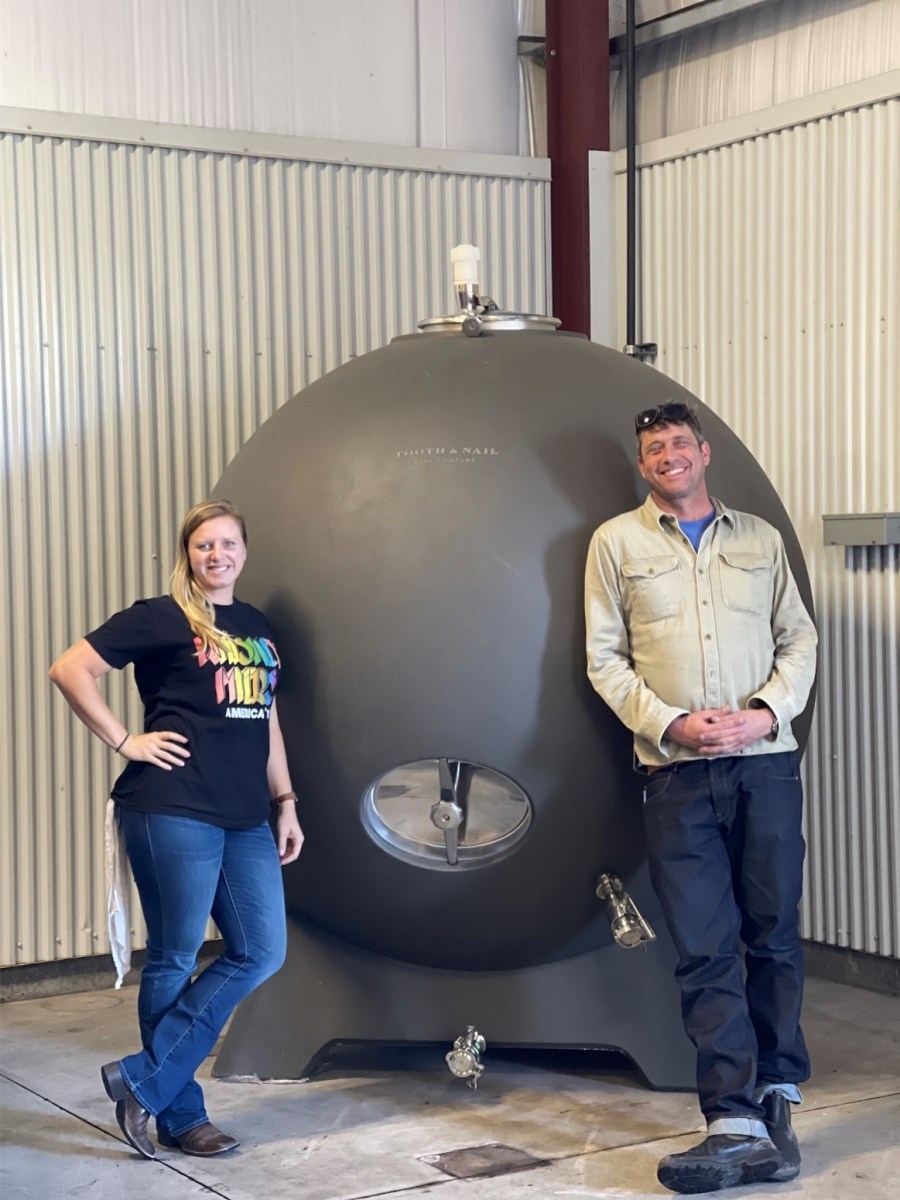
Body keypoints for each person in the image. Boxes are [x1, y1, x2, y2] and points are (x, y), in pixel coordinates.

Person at [584, 402, 817, 1195]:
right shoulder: (615, 543)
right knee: (706, 946)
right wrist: (674, 723)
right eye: (653, 448)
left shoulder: (759, 540)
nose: (668, 456)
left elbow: (800, 639)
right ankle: (732, 1117)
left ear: (704, 452)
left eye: (679, 444)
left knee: (774, 931)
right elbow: (605, 659)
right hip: (675, 774)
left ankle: (777, 1094)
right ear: (643, 463)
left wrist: (762, 713)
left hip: (766, 765)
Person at [50, 499, 303, 1160]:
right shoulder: (159, 618)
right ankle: (180, 1114)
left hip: (246, 812)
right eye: (203, 547)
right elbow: (69, 669)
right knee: (175, 954)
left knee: (261, 949)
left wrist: (287, 799)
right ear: (186, 555)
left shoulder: (257, 625)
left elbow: (265, 716)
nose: (216, 556)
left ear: (245, 550)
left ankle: (143, 1080)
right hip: (171, 806)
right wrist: (125, 740)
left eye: (227, 544)